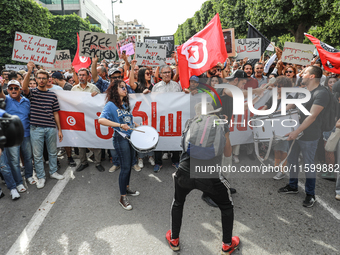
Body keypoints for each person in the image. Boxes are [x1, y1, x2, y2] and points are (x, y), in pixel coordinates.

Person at [166, 102, 240, 254]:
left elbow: (184, 146)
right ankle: (227, 245)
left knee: (178, 202)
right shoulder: (221, 124)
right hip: (210, 173)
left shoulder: (191, 123)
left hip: (185, 170)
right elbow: (227, 152)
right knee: (226, 206)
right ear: (213, 113)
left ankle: (174, 240)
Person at [278, 66, 329, 207]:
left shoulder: (321, 93)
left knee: (308, 164)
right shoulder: (304, 90)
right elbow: (292, 104)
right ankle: (293, 186)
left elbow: (312, 116)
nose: (301, 74)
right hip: (294, 131)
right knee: (292, 160)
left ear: (312, 76)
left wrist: (296, 131)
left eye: (305, 72)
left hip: (309, 135)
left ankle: (310, 194)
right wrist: (276, 113)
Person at [98, 79, 140, 210]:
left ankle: (126, 189)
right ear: (115, 90)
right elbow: (101, 120)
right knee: (125, 167)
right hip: (120, 138)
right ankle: (122, 197)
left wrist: (136, 126)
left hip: (130, 138)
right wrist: (120, 125)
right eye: (121, 87)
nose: (125, 89)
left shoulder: (126, 104)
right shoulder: (110, 105)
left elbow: (128, 121)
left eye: (125, 87)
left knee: (130, 165)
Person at [22, 62, 65, 189]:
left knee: (52, 152)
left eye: (43, 78)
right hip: (36, 128)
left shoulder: (52, 95)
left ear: (48, 80)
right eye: (39, 78)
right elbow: (24, 88)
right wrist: (29, 71)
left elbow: (55, 113)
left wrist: (59, 129)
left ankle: (53, 172)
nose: (41, 80)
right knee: (38, 155)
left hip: (51, 127)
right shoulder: (32, 93)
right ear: (36, 79)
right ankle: (41, 177)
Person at [0, 79, 35, 192]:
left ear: (20, 89)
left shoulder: (26, 101)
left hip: (26, 134)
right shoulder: (6, 100)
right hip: (12, 137)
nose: (13, 90)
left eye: (16, 88)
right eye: (11, 88)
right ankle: (19, 183)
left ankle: (29, 176)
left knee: (28, 157)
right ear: (8, 90)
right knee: (14, 161)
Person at [71, 68, 105, 172]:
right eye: (79, 75)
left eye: (83, 75)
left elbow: (100, 103)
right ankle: (83, 162)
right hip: (80, 119)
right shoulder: (74, 89)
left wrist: (97, 95)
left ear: (88, 77)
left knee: (95, 141)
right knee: (81, 142)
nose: (81, 77)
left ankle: (97, 162)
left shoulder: (94, 88)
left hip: (91, 119)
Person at [151, 65, 182, 172]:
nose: (167, 74)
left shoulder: (177, 86)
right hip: (160, 117)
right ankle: (158, 162)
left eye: (169, 72)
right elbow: (152, 101)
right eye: (164, 73)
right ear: (160, 75)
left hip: (174, 117)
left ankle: (175, 160)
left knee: (175, 136)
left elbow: (181, 100)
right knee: (158, 137)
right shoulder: (156, 87)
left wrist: (186, 94)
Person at [262, 76, 293, 180]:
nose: (277, 88)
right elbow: (266, 105)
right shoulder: (274, 96)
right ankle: (276, 165)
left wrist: (272, 113)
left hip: (284, 126)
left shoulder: (290, 98)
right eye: (276, 86)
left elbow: (286, 109)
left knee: (284, 148)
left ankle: (282, 170)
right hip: (274, 124)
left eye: (280, 86)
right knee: (276, 146)